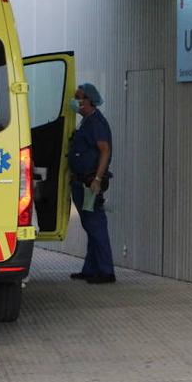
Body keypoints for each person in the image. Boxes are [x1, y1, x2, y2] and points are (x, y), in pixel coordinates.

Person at [68, 82, 115, 284]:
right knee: (90, 225)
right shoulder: (86, 121)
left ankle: (106, 272)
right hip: (81, 181)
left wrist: (97, 179)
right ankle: (90, 268)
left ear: (89, 101)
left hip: (90, 183)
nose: (75, 101)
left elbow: (105, 150)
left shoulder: (96, 122)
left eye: (79, 97)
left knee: (96, 225)